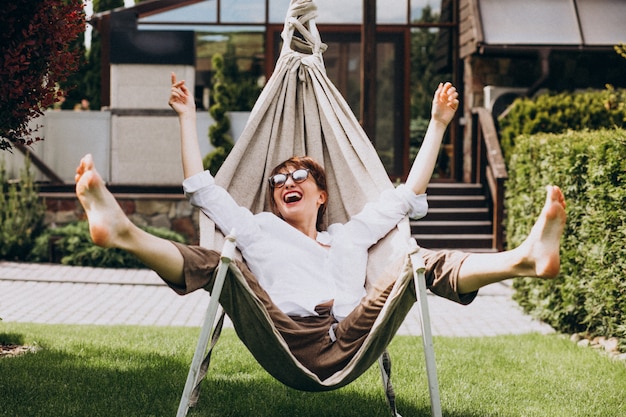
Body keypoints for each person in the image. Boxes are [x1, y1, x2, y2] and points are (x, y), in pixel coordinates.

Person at [74, 75, 566, 379]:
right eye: (278, 179)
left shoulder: (350, 234)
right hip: (287, 333)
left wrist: (437, 124)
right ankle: (124, 234)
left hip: (352, 334)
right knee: (220, 264)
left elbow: (405, 199)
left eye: (299, 176)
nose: (286, 181)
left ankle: (523, 260)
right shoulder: (259, 227)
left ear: (322, 194)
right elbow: (203, 189)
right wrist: (186, 117)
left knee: (416, 260)